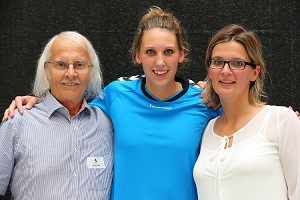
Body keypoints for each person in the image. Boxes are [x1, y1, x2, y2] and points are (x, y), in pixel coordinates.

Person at [1, 7, 221, 200]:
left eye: (169, 52)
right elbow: (72, 105)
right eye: (150, 52)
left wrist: (218, 93)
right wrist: (41, 102)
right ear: (137, 55)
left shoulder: (203, 101)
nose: (160, 62)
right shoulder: (117, 94)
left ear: (181, 54)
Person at [0, 31, 113, 199]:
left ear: (90, 73)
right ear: (47, 71)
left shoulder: (106, 124)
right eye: (61, 64)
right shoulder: (18, 122)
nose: (71, 73)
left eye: (79, 65)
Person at [193, 24, 300, 200]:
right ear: (209, 70)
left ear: (254, 73)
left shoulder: (281, 120)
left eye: (237, 63)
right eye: (218, 62)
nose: (225, 71)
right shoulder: (207, 130)